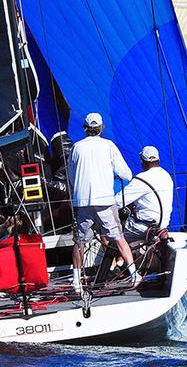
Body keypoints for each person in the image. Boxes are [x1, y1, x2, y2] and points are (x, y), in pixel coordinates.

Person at [68, 112, 138, 290]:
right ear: (101, 128)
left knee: (80, 241)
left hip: (82, 202)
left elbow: (71, 175)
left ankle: (76, 281)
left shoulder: (76, 147)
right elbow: (126, 173)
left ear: (85, 128)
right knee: (118, 237)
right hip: (105, 201)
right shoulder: (109, 146)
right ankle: (134, 275)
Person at [121, 146, 174, 242]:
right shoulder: (167, 176)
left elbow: (118, 201)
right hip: (162, 225)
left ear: (142, 161)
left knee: (114, 235)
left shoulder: (141, 178)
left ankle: (120, 256)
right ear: (158, 159)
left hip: (143, 228)